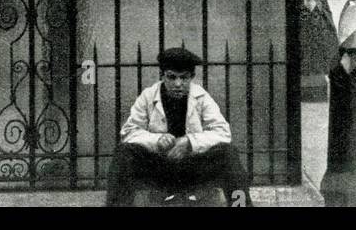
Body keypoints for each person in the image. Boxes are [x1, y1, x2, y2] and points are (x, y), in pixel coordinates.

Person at [105, 47, 251, 206]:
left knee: (228, 154)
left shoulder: (201, 97)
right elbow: (129, 132)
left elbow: (223, 133)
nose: (178, 84)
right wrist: (157, 140)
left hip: (193, 169)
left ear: (192, 77)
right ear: (162, 76)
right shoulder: (148, 96)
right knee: (124, 153)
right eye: (171, 77)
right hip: (160, 168)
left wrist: (190, 142)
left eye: (184, 78)